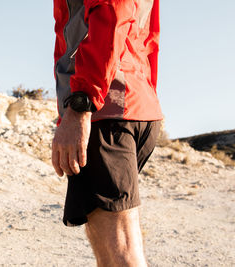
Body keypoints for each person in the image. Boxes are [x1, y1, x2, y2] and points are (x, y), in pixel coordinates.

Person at [52, 0, 163, 266]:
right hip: (131, 103)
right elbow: (147, 38)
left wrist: (81, 104)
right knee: (112, 248)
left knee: (121, 251)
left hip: (107, 108)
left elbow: (113, 14)